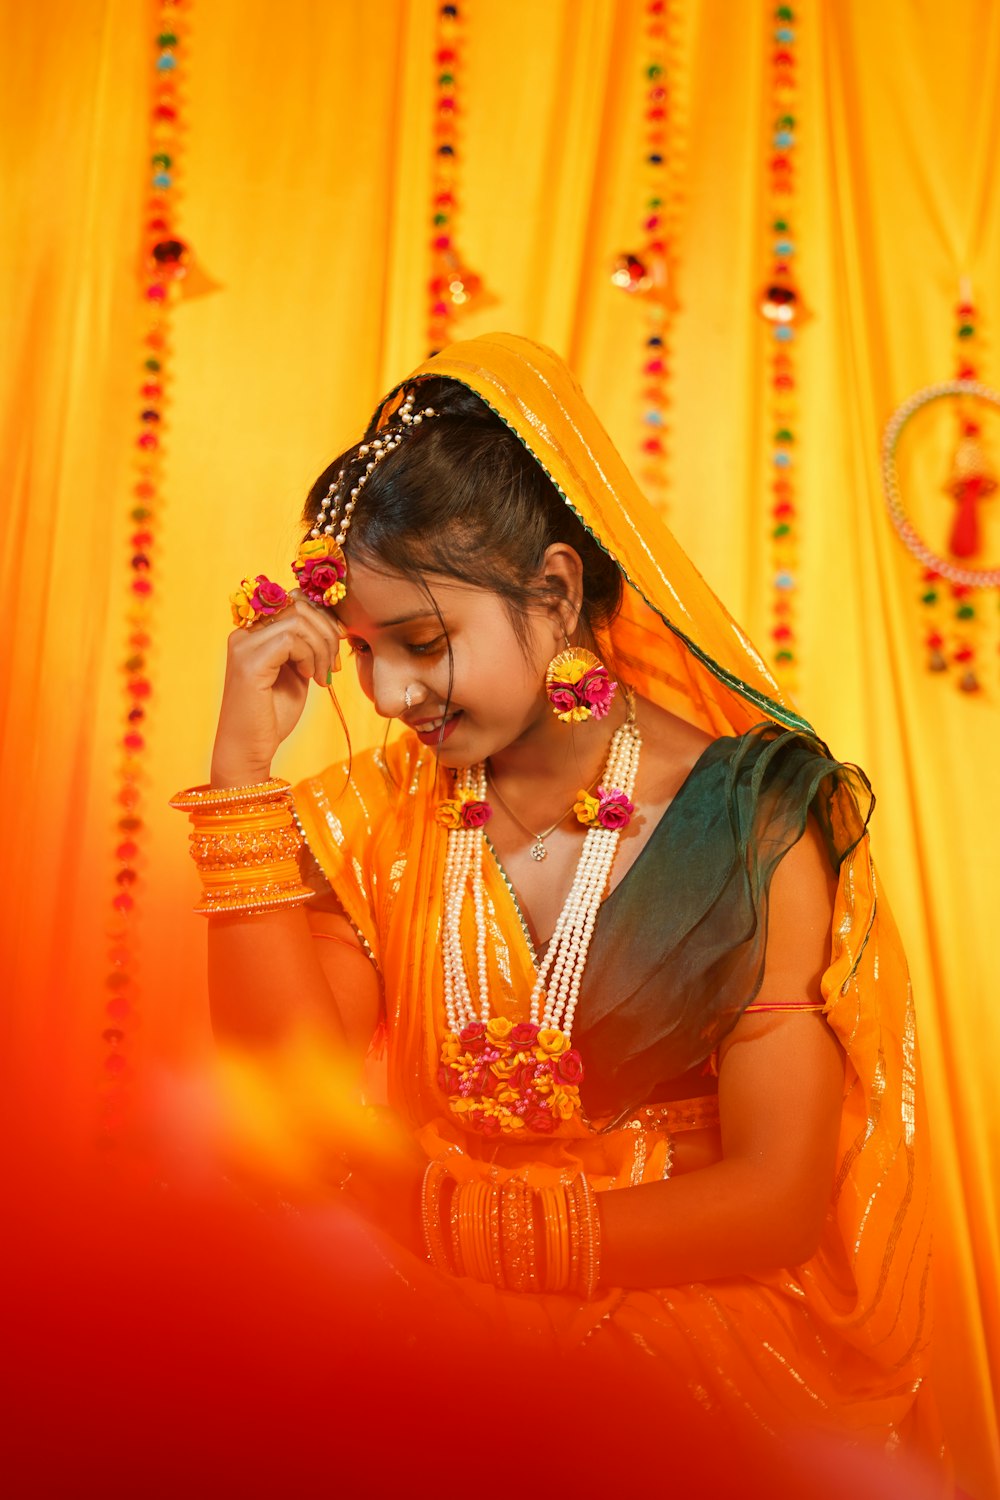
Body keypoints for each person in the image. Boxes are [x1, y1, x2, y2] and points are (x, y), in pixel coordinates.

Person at [173, 333, 946, 1484]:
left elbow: (779, 1200)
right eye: (366, 652)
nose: (390, 699)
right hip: (425, 1309)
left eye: (426, 644)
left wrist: (474, 1235)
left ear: (553, 590)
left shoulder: (751, 819)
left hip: (692, 1323)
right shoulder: (377, 813)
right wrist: (241, 776)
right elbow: (283, 1105)